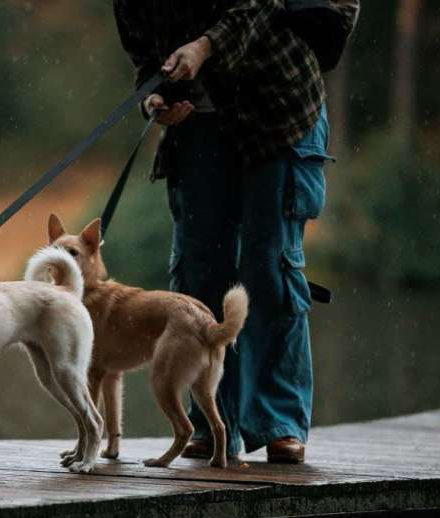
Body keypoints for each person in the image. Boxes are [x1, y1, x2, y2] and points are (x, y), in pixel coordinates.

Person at [112, 0, 359, 463]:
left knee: (270, 266)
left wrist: (206, 46)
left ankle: (280, 423)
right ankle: (211, 424)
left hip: (278, 109)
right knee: (199, 273)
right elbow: (144, 56)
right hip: (200, 128)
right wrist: (156, 97)